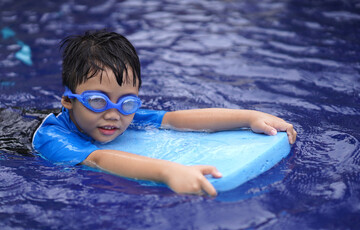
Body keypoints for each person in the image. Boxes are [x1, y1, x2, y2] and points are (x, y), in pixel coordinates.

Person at [32, 30, 297, 197]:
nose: (114, 115)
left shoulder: (122, 115)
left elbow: (174, 119)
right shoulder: (52, 138)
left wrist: (248, 117)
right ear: (68, 100)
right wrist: (169, 171)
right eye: (97, 101)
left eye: (127, 103)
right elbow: (99, 159)